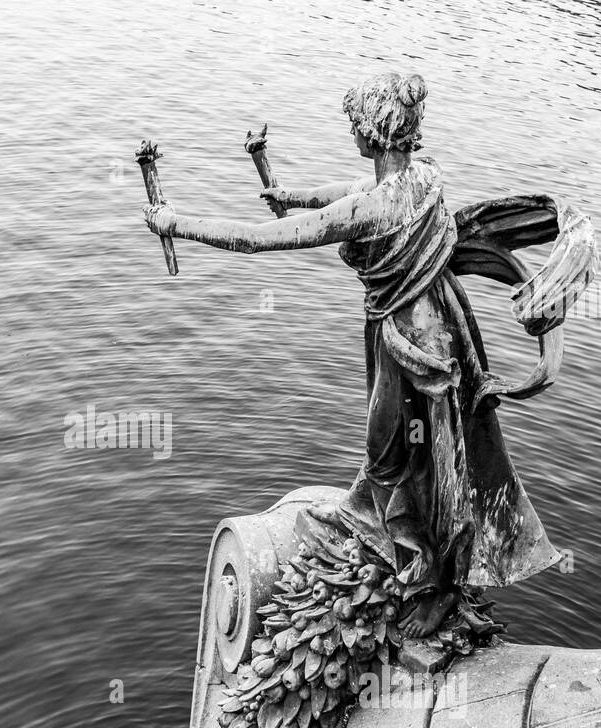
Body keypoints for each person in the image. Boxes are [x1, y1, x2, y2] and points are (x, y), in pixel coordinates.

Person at [143, 72, 561, 639]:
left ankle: (432, 584)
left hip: (413, 349)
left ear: (370, 130)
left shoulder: (376, 208)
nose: (351, 134)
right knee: (421, 454)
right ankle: (389, 532)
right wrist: (291, 197)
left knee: (405, 455)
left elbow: (257, 240)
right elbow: (343, 196)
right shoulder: (425, 177)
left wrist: (176, 223)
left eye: (353, 125)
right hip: (439, 325)